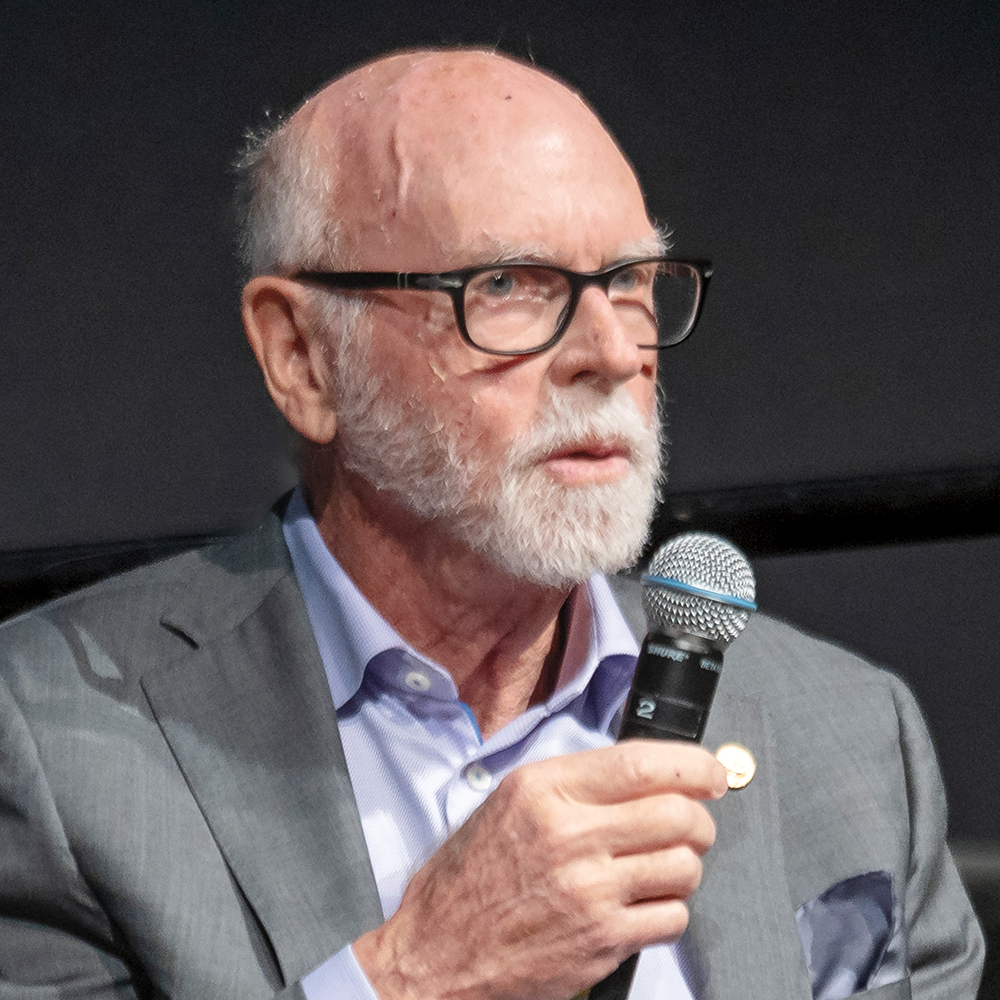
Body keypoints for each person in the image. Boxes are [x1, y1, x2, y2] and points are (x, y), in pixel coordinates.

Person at [0, 48, 983, 1000]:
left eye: (631, 281)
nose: (609, 352)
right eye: (507, 285)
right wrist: (415, 982)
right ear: (302, 357)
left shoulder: (854, 738)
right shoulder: (53, 748)